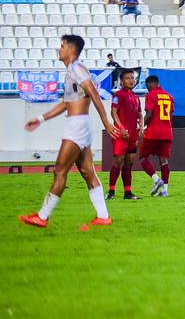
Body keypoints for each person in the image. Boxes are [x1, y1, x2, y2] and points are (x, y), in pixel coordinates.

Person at [20, 36, 119, 228]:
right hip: (79, 124)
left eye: (62, 45)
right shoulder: (72, 71)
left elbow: (94, 93)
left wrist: (106, 121)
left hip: (77, 126)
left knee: (59, 170)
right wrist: (41, 119)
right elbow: (67, 104)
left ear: (71, 50)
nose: (60, 49)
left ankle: (42, 216)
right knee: (87, 171)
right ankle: (103, 216)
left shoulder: (77, 69)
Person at [106, 68, 142, 201]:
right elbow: (113, 112)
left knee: (129, 163)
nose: (131, 80)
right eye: (127, 78)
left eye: (132, 78)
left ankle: (128, 192)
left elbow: (139, 114)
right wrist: (120, 128)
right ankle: (111, 191)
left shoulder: (136, 98)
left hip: (132, 135)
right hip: (121, 135)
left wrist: (141, 126)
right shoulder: (118, 95)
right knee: (118, 161)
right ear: (121, 81)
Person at [139, 74, 174, 198]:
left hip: (154, 132)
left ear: (150, 84)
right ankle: (165, 190)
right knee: (163, 161)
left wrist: (143, 126)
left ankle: (156, 180)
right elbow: (170, 115)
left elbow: (150, 113)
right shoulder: (169, 96)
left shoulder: (151, 95)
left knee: (142, 157)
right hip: (167, 132)